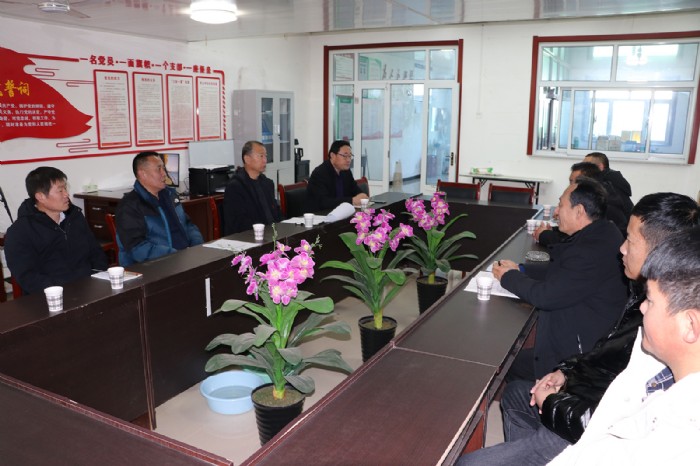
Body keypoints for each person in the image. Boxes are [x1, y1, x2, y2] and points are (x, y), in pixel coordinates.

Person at [456, 192, 699, 465]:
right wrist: (567, 372)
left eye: (630, 240)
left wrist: (552, 402)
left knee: (469, 462)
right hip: (584, 388)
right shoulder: (640, 290)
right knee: (516, 393)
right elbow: (605, 352)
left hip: (582, 428)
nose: (621, 248)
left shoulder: (661, 346)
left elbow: (602, 422)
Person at [548, 226, 700, 465]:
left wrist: (552, 402)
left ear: (690, 325)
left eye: (650, 301)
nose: (642, 307)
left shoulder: (679, 437)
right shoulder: (657, 372)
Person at [493, 177, 628, 381]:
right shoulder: (604, 232)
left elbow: (546, 297)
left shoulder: (589, 251)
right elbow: (564, 272)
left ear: (579, 211)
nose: (556, 212)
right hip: (586, 332)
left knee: (506, 365)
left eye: (561, 205)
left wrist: (508, 277)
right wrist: (521, 269)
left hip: (578, 355)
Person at [4, 166, 107, 295]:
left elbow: (95, 252)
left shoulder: (75, 217)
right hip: (51, 297)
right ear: (40, 196)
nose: (66, 194)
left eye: (65, 188)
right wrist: (60, 291)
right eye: (60, 190)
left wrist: (97, 276)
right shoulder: (20, 231)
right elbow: (27, 276)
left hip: (88, 288)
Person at [116, 151, 203, 266]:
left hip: (184, 259)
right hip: (155, 266)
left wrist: (197, 246)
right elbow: (137, 248)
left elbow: (188, 224)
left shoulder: (170, 195)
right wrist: (174, 255)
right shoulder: (130, 206)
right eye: (159, 169)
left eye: (164, 168)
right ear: (143, 174)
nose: (164, 174)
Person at [536, 161, 628, 245]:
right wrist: (554, 229)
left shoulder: (605, 204)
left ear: (587, 183)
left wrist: (544, 235)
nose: (570, 187)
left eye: (574, 182)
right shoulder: (599, 196)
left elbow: (576, 241)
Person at [223, 140, 282, 235]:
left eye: (265, 156)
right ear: (247, 159)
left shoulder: (267, 183)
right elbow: (239, 224)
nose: (265, 160)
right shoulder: (235, 187)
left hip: (271, 234)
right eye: (261, 156)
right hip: (249, 237)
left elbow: (276, 213)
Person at [304, 140, 368, 212]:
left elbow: (354, 189)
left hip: (342, 213)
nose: (348, 160)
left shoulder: (346, 171)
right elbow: (324, 202)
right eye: (345, 156)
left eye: (350, 156)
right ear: (333, 156)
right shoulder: (320, 173)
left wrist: (362, 195)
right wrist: (352, 200)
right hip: (322, 214)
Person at [583, 152, 633, 217]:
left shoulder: (607, 184)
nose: (582, 169)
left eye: (586, 166)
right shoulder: (612, 179)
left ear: (600, 166)